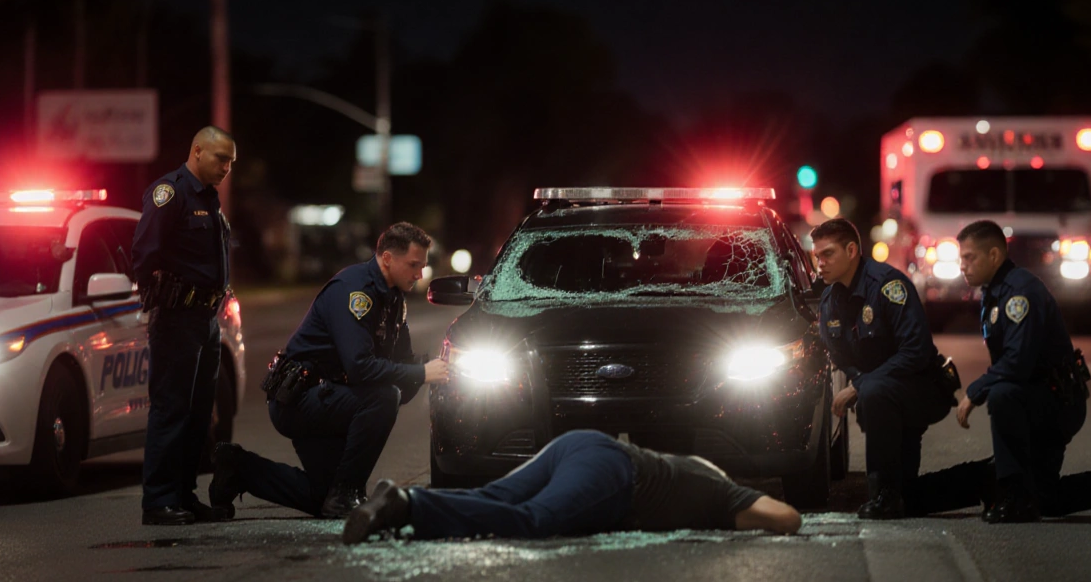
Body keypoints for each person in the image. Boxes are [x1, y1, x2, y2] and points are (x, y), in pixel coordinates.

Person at [209, 222, 449, 519]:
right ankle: (348, 492)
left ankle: (238, 468)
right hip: (299, 398)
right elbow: (361, 368)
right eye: (414, 265)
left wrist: (442, 368)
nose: (420, 274)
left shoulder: (393, 298)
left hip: (333, 398)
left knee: (321, 496)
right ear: (387, 258)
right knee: (383, 397)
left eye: (423, 266)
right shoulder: (356, 292)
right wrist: (421, 373)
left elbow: (403, 366)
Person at [954, 220, 1091, 523]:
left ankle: (1015, 498)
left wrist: (975, 391)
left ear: (994, 256)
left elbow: (1017, 362)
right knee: (1047, 499)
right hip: (1037, 399)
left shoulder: (1020, 293)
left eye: (969, 258)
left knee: (1001, 394)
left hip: (1055, 402)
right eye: (961, 258)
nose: (962, 265)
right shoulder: (994, 292)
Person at [811, 218, 993, 519]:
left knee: (873, 391)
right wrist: (863, 384)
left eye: (828, 254)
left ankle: (885, 493)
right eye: (817, 256)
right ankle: (984, 479)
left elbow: (916, 351)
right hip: (882, 395)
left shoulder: (888, 286)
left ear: (852, 250)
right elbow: (841, 355)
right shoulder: (830, 301)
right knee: (911, 498)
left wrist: (859, 386)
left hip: (922, 388)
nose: (820, 263)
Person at [341, 429, 802, 543]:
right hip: (616, 473)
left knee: (496, 497)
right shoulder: (721, 492)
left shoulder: (695, 471)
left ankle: (391, 497)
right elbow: (788, 518)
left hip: (581, 443)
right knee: (534, 520)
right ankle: (407, 505)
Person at [133, 126, 236, 526]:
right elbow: (145, 254)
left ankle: (184, 495)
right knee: (171, 409)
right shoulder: (170, 193)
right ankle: (157, 501)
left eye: (230, 161)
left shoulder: (209, 199)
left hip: (205, 319)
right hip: (176, 318)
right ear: (197, 150)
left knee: (198, 413)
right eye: (220, 159)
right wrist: (160, 301)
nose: (226, 167)